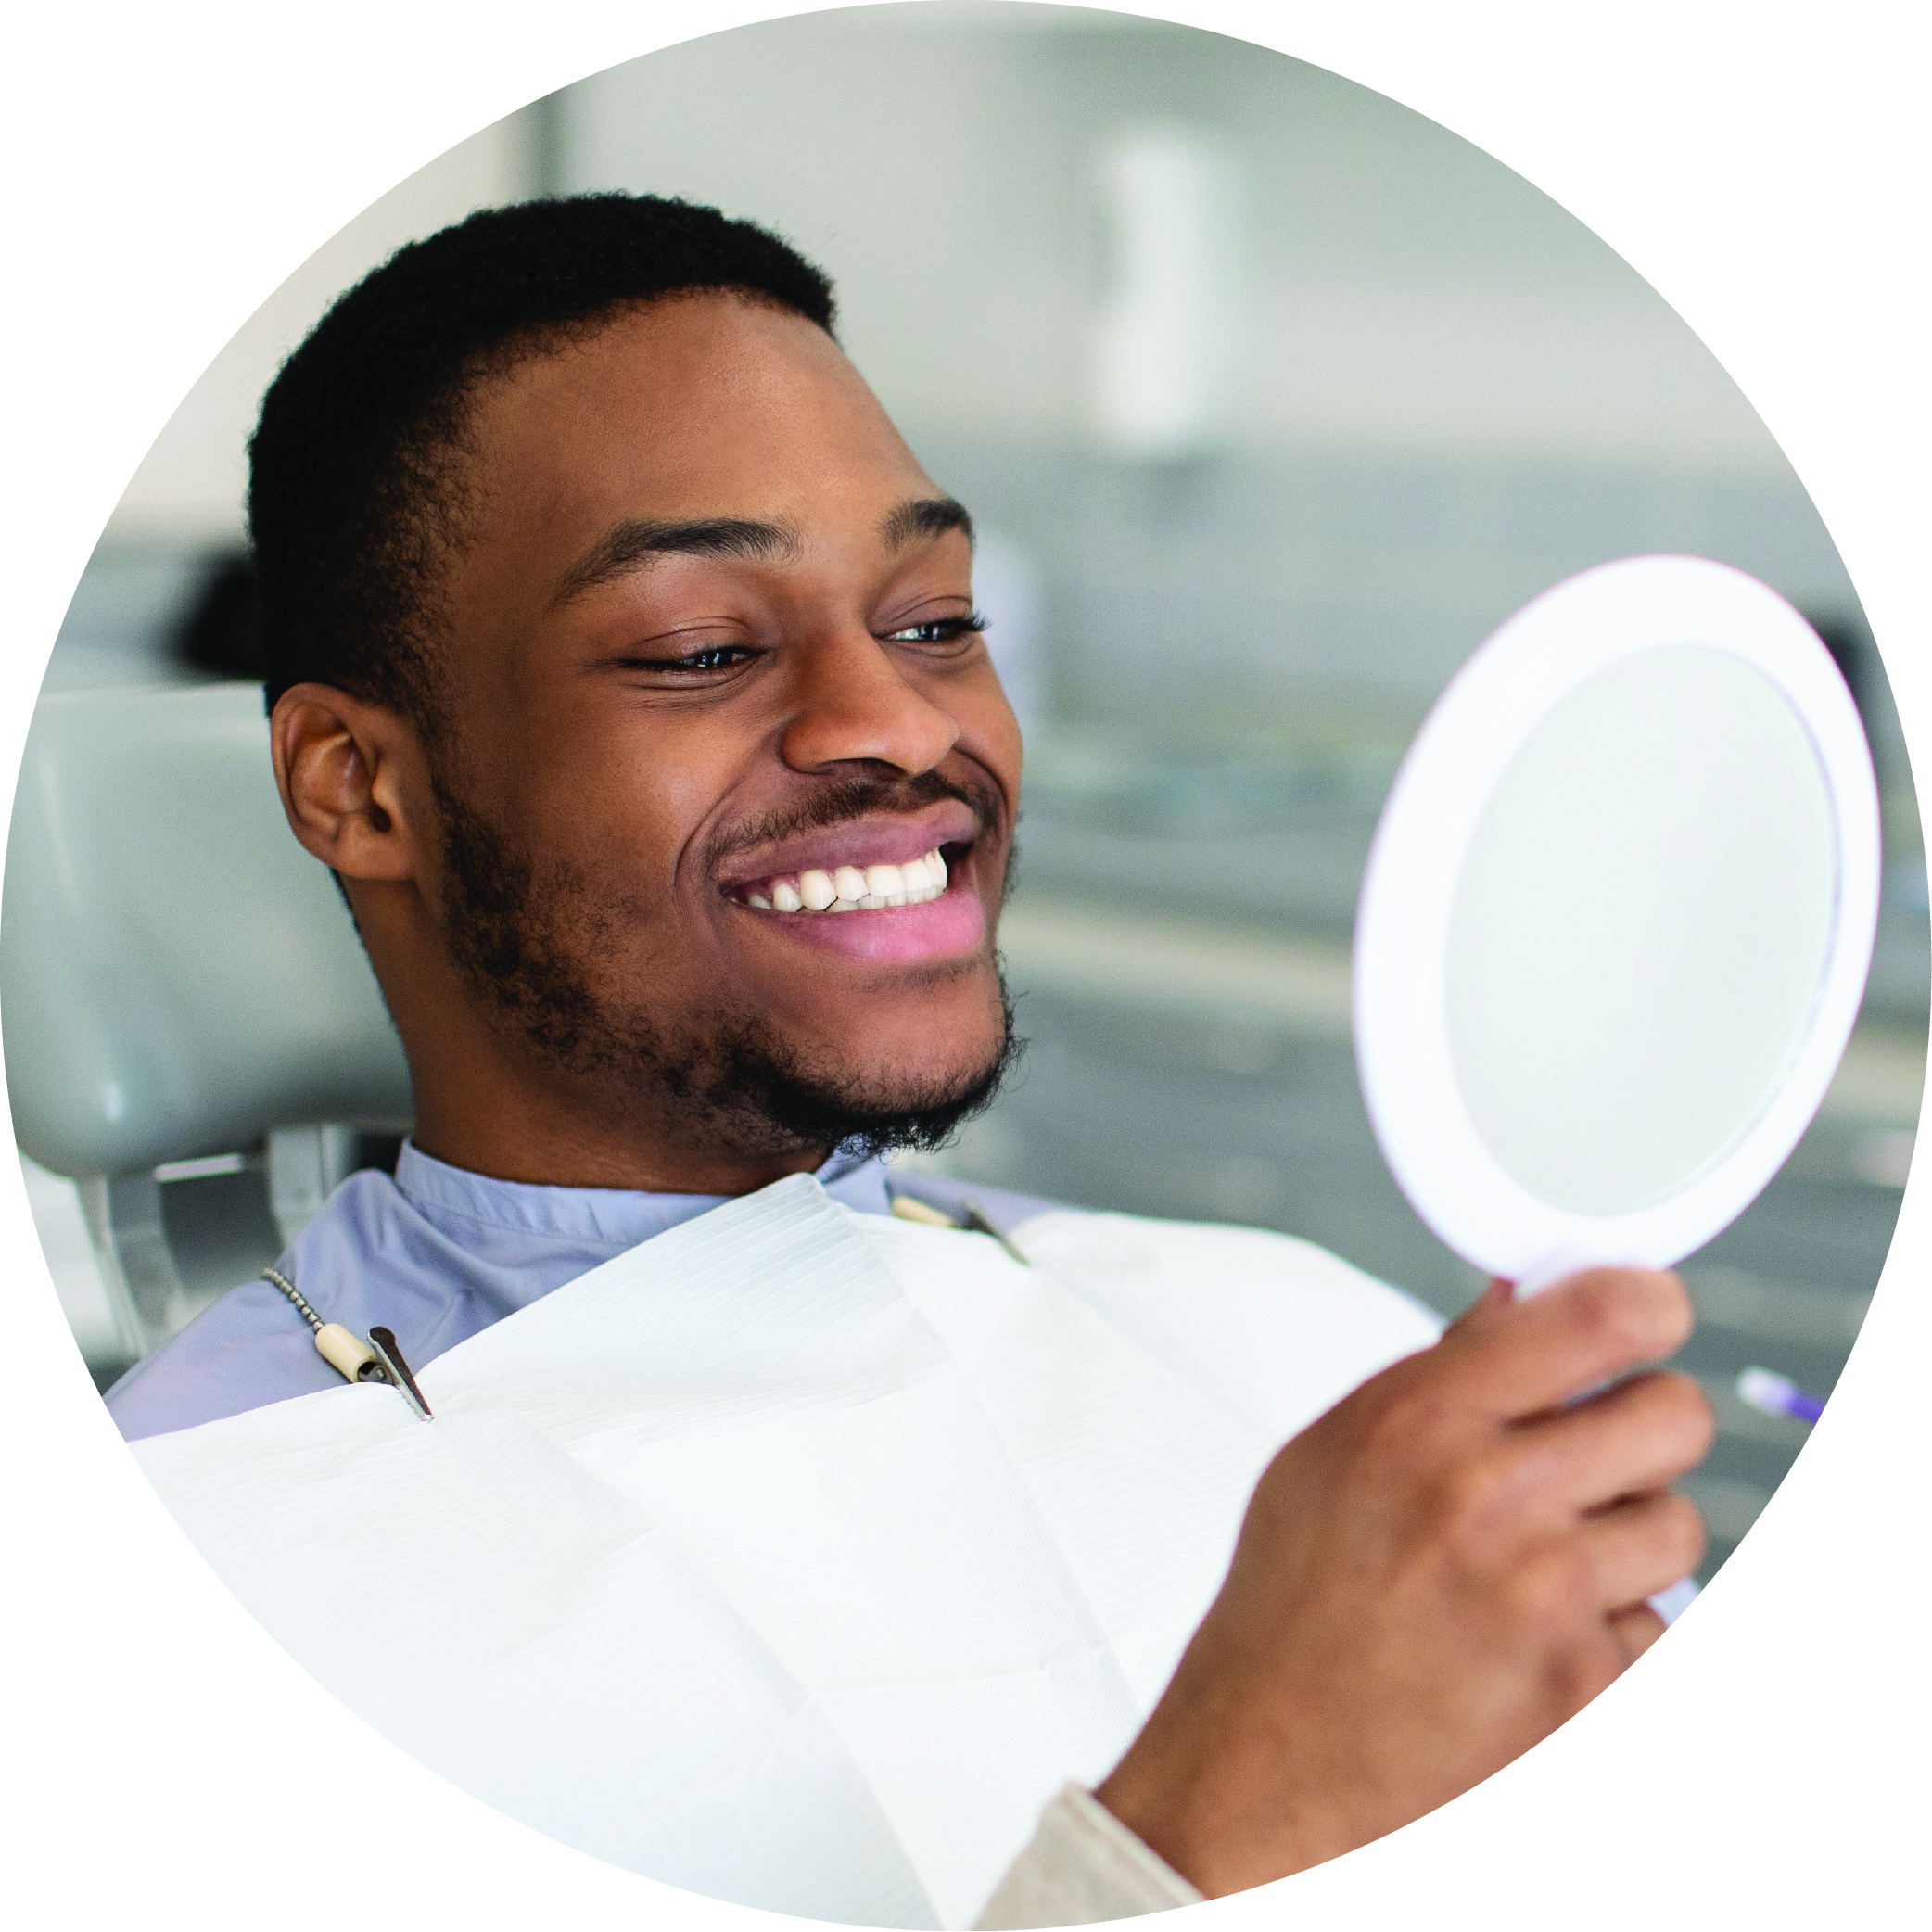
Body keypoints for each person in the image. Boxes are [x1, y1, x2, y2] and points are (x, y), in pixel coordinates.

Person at [106, 195, 1711, 1925]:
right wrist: (1212, 1837)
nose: (895, 722)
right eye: (705, 649)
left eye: (934, 620)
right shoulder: (170, 1621)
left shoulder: (1302, 1348)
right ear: (362, 786)